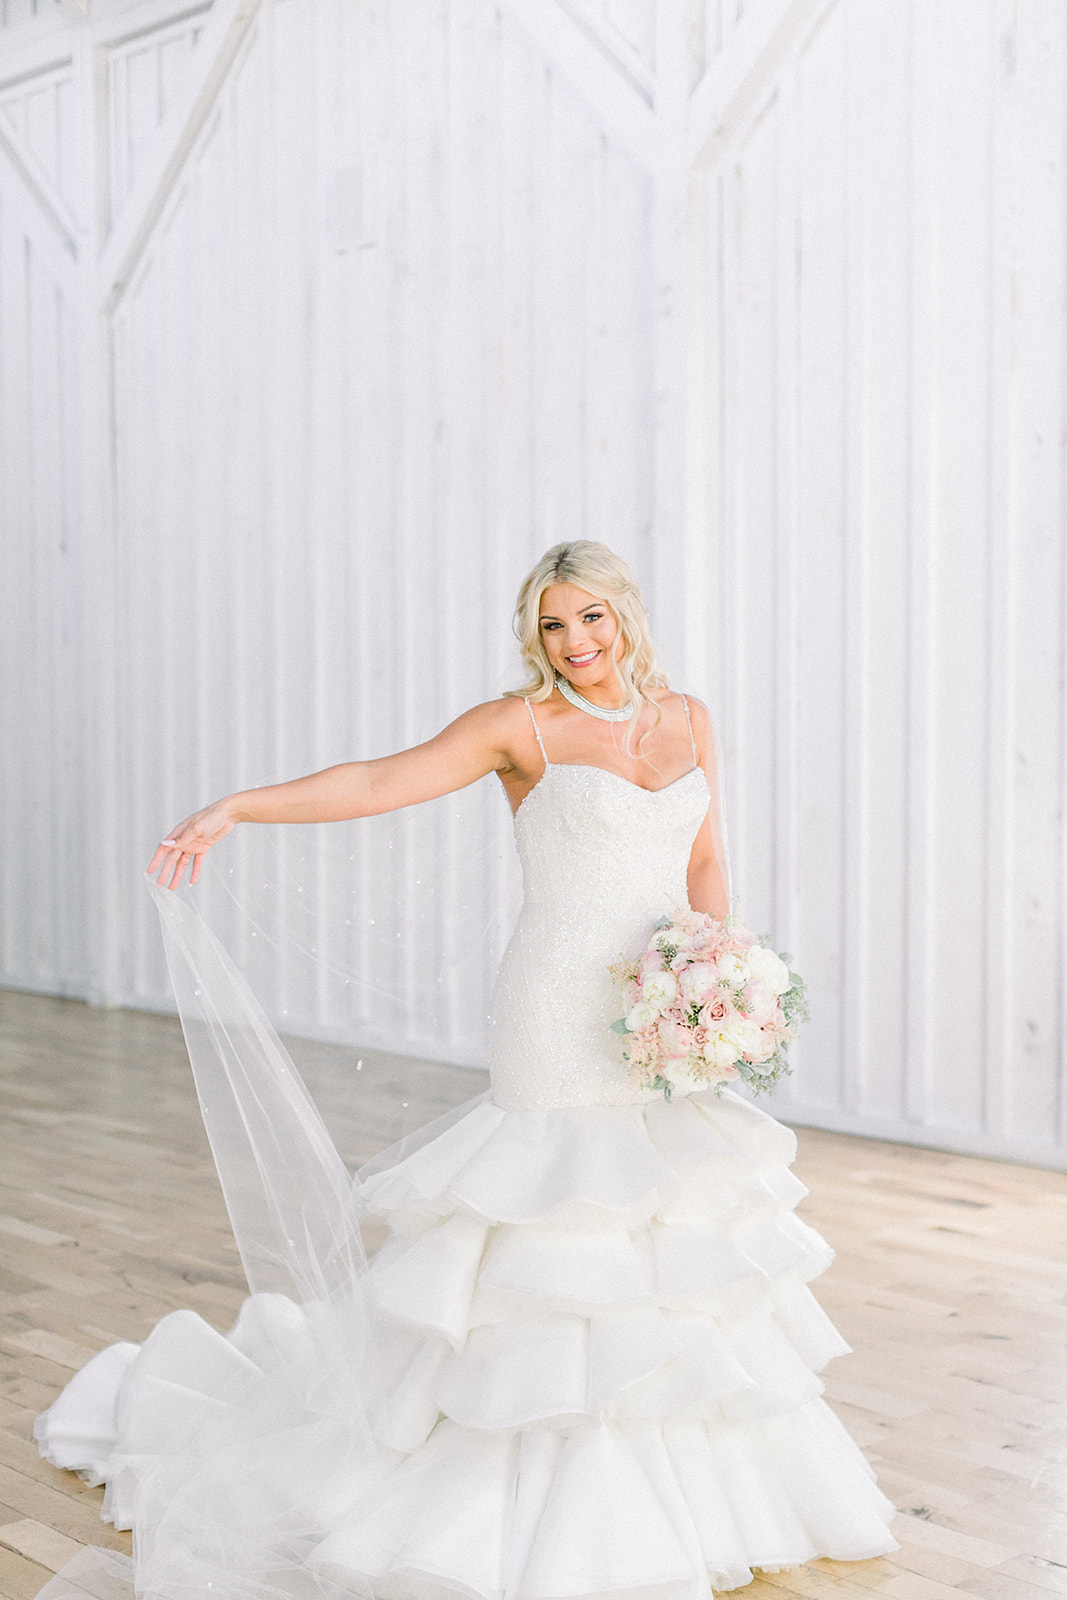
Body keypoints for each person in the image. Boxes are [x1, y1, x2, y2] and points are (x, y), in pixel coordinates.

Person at [35, 542, 897, 1600]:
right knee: (551, 1228)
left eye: (589, 617)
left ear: (624, 613)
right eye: (551, 625)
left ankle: (671, 1499)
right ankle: (513, 1490)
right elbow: (376, 781)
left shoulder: (687, 718)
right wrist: (237, 807)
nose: (574, 642)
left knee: (660, 1233)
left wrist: (710, 971)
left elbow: (704, 856)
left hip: (660, 1009)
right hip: (556, 1007)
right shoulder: (516, 727)